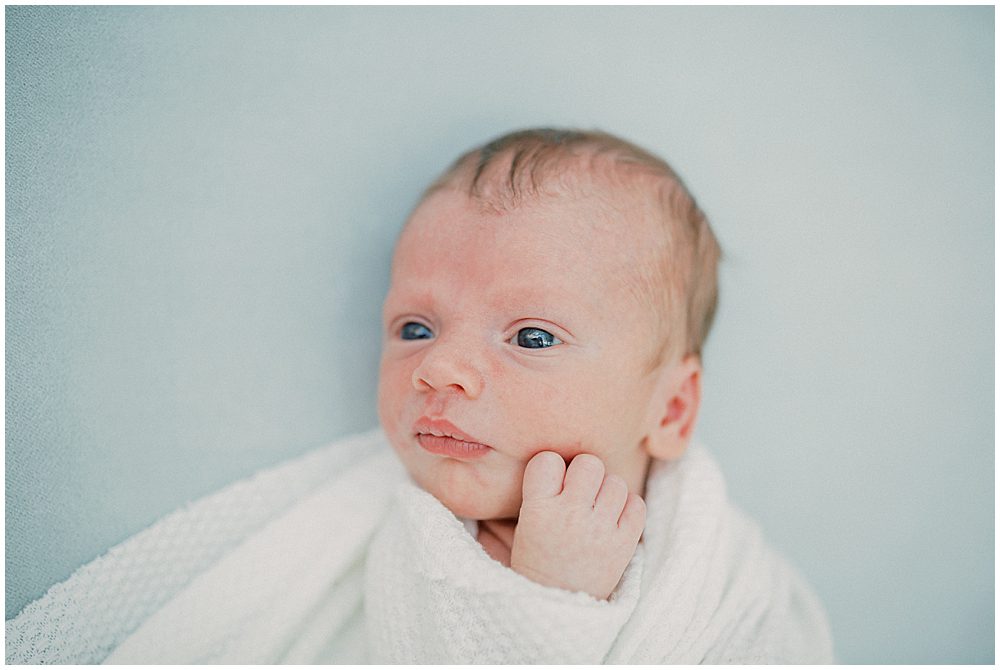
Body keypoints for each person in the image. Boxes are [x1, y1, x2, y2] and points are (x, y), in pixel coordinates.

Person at [9, 129, 833, 665]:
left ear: (673, 410)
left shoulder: (721, 565)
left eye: (531, 338)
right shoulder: (423, 542)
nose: (439, 371)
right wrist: (551, 601)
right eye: (414, 329)